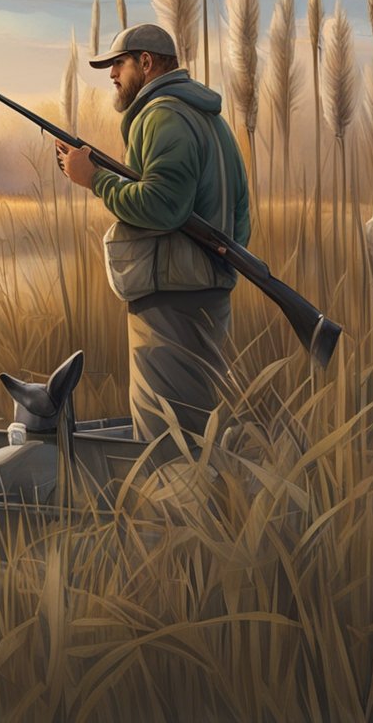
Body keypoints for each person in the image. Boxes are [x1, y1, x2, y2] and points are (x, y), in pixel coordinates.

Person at [55, 23, 251, 444]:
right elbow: (241, 212)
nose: (111, 75)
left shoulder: (162, 115)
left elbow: (163, 206)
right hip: (209, 293)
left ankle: (170, 511)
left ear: (146, 63)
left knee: (163, 432)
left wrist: (94, 180)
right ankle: (204, 507)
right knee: (202, 424)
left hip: (168, 300)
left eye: (118, 64)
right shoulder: (212, 121)